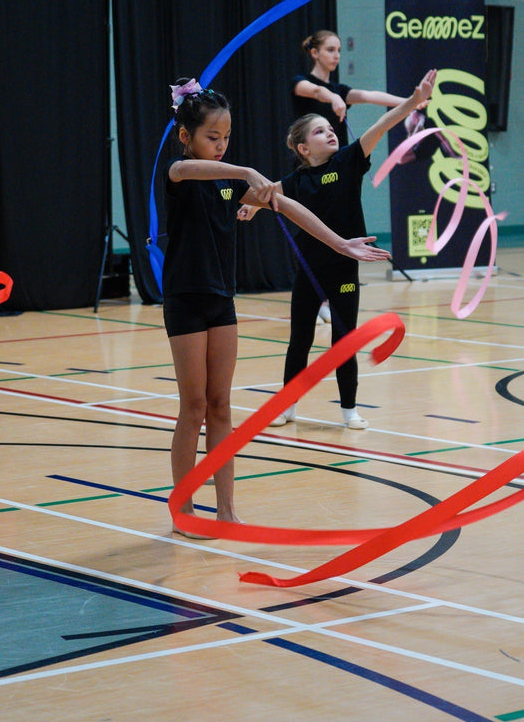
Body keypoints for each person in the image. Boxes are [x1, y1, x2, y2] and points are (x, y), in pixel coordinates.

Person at [163, 77, 391, 537]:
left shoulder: (229, 183)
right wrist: (247, 171)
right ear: (186, 136)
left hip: (221, 300)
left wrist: (340, 243)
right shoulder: (181, 172)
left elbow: (286, 207)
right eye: (212, 137)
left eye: (227, 137)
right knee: (194, 406)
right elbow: (189, 171)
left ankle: (226, 510)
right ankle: (184, 508)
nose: (222, 145)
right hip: (185, 299)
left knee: (220, 406)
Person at [240, 69, 437, 429]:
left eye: (330, 128)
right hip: (309, 271)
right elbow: (266, 194)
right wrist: (253, 207)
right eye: (319, 131)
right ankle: (288, 406)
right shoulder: (297, 181)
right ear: (303, 149)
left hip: (344, 269)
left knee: (343, 341)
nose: (330, 132)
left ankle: (349, 410)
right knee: (299, 341)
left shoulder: (348, 161)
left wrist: (413, 101)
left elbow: (381, 125)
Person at [292, 29, 413, 324]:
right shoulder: (302, 83)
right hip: (312, 171)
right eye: (330, 50)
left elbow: (370, 96)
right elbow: (317, 92)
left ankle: (335, 295)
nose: (336, 55)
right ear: (314, 53)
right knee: (314, 233)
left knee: (342, 229)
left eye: (338, 50)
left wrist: (410, 100)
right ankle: (316, 296)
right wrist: (333, 97)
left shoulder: (341, 89)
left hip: (340, 170)